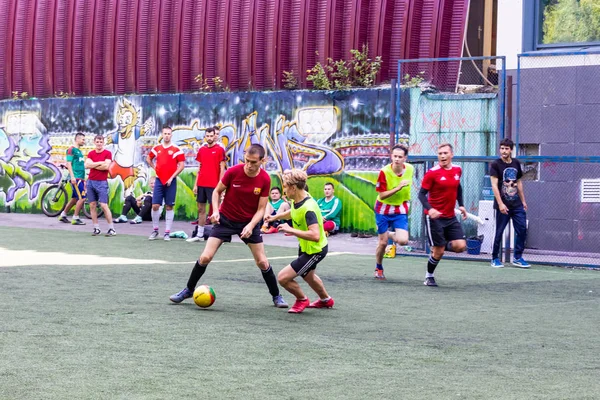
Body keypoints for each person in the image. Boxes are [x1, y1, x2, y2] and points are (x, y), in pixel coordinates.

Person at [169, 144, 289, 308]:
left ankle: (276, 296)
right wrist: (216, 211)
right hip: (225, 220)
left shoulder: (265, 179)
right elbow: (216, 192)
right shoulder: (233, 172)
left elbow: (261, 209)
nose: (249, 165)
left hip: (249, 223)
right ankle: (189, 290)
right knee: (205, 257)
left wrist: (251, 225)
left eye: (254, 162)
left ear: (263, 160)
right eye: (247, 160)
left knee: (262, 261)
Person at [266, 169, 334, 313]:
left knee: (283, 278)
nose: (283, 190)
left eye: (284, 186)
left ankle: (302, 299)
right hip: (306, 246)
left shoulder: (308, 208)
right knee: (308, 276)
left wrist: (290, 230)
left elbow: (315, 235)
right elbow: (293, 211)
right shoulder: (299, 198)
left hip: (315, 250)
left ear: (293, 187)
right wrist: (274, 217)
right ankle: (326, 300)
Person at [418, 143, 467, 287]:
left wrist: (462, 204)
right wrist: (430, 209)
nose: (442, 156)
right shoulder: (432, 173)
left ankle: (438, 247)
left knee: (461, 246)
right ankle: (429, 276)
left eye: (445, 153)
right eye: (440, 153)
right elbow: (421, 195)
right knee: (439, 252)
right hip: (434, 218)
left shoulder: (458, 170)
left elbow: (458, 186)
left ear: (452, 154)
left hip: (450, 217)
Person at [373, 144, 414, 280]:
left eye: (400, 157)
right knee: (383, 243)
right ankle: (379, 267)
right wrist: (398, 188)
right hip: (383, 209)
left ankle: (387, 234)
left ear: (405, 158)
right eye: (394, 156)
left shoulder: (410, 169)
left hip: (400, 209)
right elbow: (382, 195)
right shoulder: (384, 172)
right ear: (391, 156)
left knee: (403, 241)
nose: (396, 159)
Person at [489, 138, 530, 268]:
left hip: (516, 204)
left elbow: (519, 183)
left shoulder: (516, 163)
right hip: (503, 205)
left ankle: (517, 257)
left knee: (522, 229)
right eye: (502, 148)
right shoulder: (496, 164)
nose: (504, 151)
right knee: (499, 232)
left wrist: (523, 201)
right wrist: (500, 204)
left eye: (506, 148)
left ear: (511, 150)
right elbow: (494, 186)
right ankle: (495, 258)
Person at [187, 127, 226, 242]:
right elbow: (200, 168)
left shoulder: (219, 150)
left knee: (216, 210)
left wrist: (221, 185)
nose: (209, 138)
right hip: (201, 184)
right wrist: (195, 185)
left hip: (214, 185)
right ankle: (199, 235)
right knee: (201, 209)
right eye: (207, 136)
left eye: (211, 136)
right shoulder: (202, 150)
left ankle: (218, 237)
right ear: (205, 136)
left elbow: (222, 168)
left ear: (215, 136)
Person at [146, 125, 185, 241]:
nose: (167, 136)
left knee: (169, 206)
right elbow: (149, 159)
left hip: (171, 182)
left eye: (169, 134)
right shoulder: (157, 148)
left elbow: (182, 166)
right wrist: (155, 168)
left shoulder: (177, 149)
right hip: (159, 180)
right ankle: (155, 230)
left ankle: (167, 232)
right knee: (155, 205)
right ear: (162, 135)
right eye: (165, 134)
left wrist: (171, 177)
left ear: (171, 135)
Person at [84, 135, 115, 236]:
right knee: (92, 205)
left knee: (103, 205)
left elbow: (106, 166)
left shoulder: (107, 153)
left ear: (103, 143)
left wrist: (94, 164)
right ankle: (96, 228)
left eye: (101, 142)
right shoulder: (91, 153)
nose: (99, 143)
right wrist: (100, 163)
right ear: (94, 142)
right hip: (90, 182)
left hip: (102, 182)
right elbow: (87, 165)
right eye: (97, 142)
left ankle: (111, 229)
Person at [58, 132, 87, 225]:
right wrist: (73, 177)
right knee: (82, 198)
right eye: (83, 139)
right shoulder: (71, 150)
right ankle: (76, 218)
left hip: (80, 178)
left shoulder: (79, 151)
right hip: (76, 178)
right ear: (77, 139)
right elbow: (69, 163)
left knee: (75, 199)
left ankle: (63, 215)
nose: (84, 141)